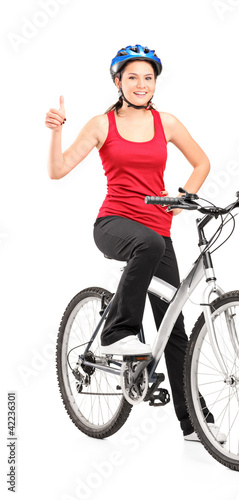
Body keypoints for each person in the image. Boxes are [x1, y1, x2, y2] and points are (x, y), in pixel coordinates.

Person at [45, 44, 225, 442]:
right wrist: (56, 132)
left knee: (173, 326)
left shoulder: (168, 123)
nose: (141, 84)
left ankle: (192, 423)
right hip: (114, 223)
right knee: (148, 245)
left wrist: (183, 198)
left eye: (148, 77)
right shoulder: (101, 124)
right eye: (132, 77)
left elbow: (202, 163)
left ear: (155, 82)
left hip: (158, 232)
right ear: (117, 82)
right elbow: (58, 170)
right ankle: (116, 332)